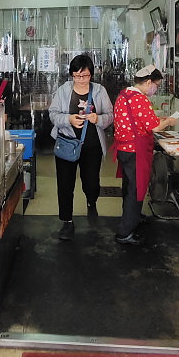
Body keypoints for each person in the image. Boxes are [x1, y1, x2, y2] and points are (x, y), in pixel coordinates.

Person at [48, 54, 114, 241]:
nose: (80, 80)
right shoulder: (63, 90)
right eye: (76, 76)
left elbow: (110, 115)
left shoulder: (99, 91)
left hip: (91, 145)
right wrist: (68, 119)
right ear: (71, 75)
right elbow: (53, 114)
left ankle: (91, 201)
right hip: (67, 143)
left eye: (84, 76)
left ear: (91, 74)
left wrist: (98, 119)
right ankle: (67, 221)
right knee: (65, 184)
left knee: (91, 182)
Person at [112, 64, 178, 246]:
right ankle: (125, 232)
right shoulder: (139, 99)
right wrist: (169, 121)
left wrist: (159, 121)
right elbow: (154, 127)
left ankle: (132, 217)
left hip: (124, 149)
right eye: (156, 86)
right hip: (136, 151)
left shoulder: (124, 94)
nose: (156, 90)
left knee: (129, 187)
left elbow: (141, 121)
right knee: (136, 189)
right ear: (148, 82)